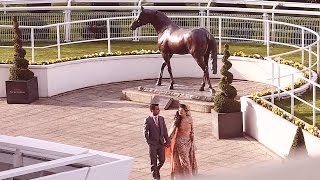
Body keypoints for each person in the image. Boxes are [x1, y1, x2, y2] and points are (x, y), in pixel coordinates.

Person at [166, 104, 198, 179]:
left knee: (189, 157)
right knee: (184, 159)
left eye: (182, 111)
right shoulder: (177, 120)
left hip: (189, 141)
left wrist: (192, 138)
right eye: (179, 110)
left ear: (185, 111)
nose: (180, 112)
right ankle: (189, 176)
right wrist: (167, 140)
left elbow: (192, 129)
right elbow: (171, 131)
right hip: (179, 141)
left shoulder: (189, 118)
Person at [143, 103, 171, 180]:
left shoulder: (161, 119)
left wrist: (167, 141)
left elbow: (165, 131)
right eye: (157, 109)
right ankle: (155, 176)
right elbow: (145, 132)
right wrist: (149, 142)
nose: (159, 110)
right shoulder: (148, 120)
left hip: (161, 143)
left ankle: (156, 170)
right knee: (153, 161)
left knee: (162, 160)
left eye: (159, 109)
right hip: (153, 144)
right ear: (152, 110)